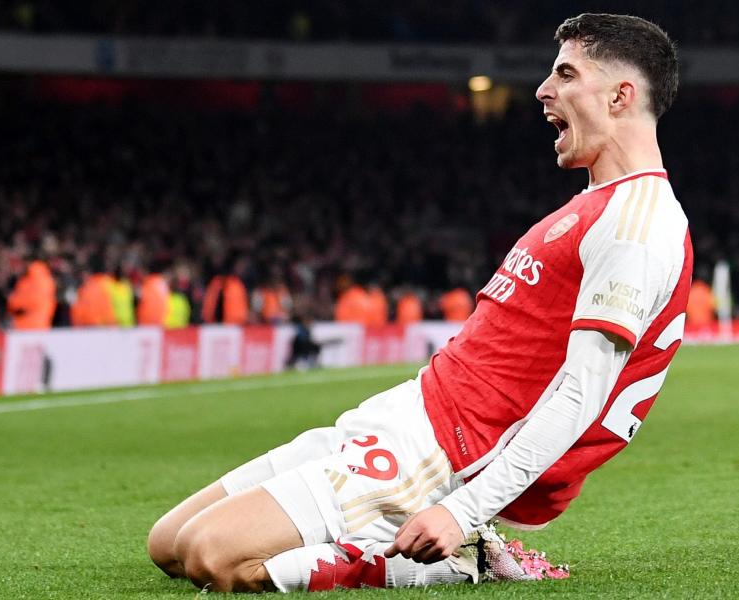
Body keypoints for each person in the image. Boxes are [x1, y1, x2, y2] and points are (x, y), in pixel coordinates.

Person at [147, 13, 690, 593]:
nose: (543, 90)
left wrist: (463, 511)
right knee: (168, 543)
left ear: (620, 96)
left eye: (565, 73)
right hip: (409, 409)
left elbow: (581, 394)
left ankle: (460, 558)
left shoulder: (638, 223)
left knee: (215, 557)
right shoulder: (592, 206)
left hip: (442, 453)